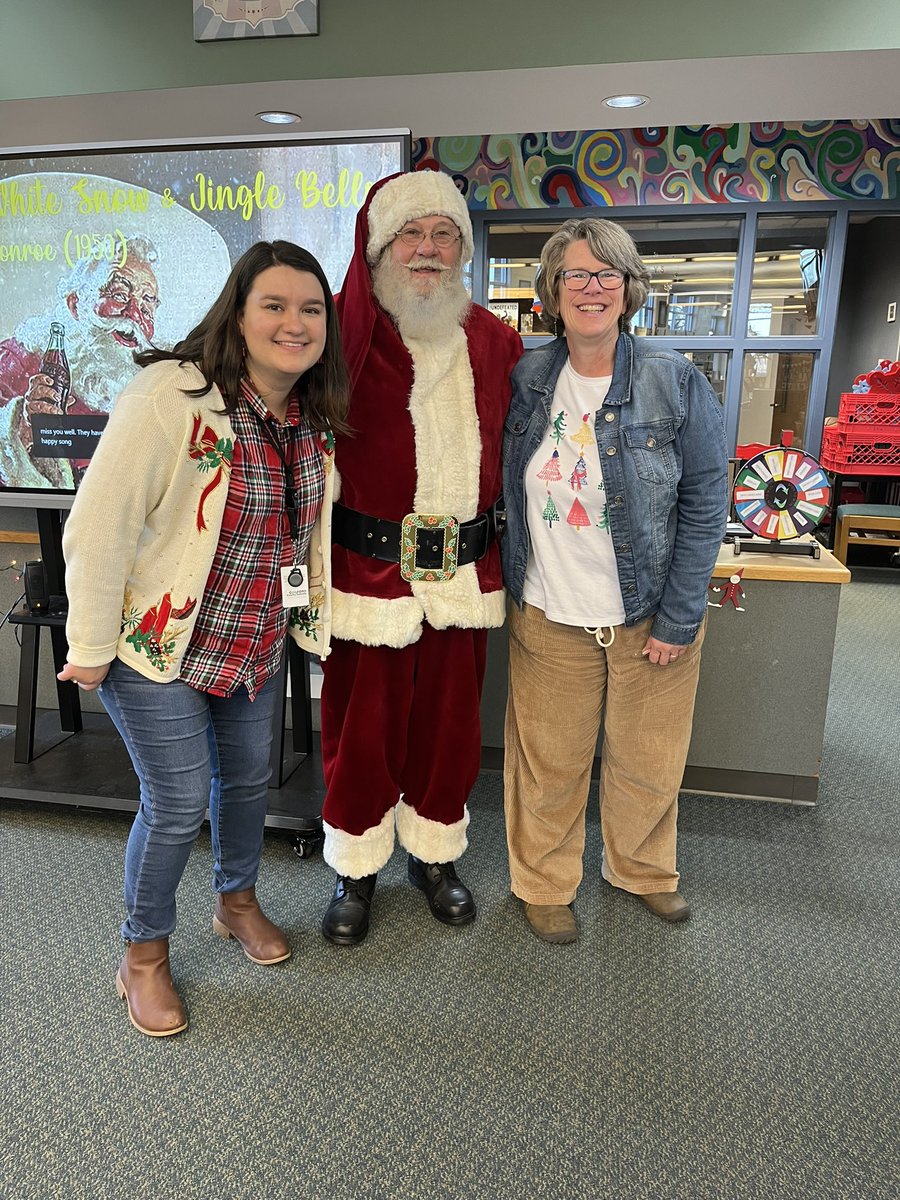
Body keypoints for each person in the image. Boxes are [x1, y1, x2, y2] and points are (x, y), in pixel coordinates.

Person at [58, 240, 350, 1035]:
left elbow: (303, 537)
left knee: (248, 783)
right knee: (179, 801)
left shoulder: (311, 417)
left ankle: (235, 902)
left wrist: (310, 621)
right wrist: (89, 645)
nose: (294, 323)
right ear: (238, 314)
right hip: (157, 648)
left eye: (311, 310)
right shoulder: (173, 394)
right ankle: (143, 954)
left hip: (253, 644)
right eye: (274, 306)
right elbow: (98, 524)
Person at [501, 217, 728, 944]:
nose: (592, 288)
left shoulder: (674, 380)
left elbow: (706, 502)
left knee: (648, 763)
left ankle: (642, 871)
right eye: (576, 274)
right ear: (552, 290)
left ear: (630, 290)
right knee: (549, 766)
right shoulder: (526, 379)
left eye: (608, 274)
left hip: (648, 613)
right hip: (548, 613)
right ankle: (544, 884)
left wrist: (680, 618)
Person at [319, 170, 522, 945]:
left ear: (463, 251)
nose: (428, 249)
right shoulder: (338, 335)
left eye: (444, 235)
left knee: (449, 729)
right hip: (366, 576)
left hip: (464, 576)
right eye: (411, 234)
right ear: (378, 248)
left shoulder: (498, 344)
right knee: (360, 732)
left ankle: (434, 855)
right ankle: (356, 865)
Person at [0, 237, 161, 489]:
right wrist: (21, 432)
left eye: (147, 304)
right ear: (75, 304)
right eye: (119, 295)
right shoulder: (17, 361)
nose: (134, 316)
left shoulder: (160, 380)